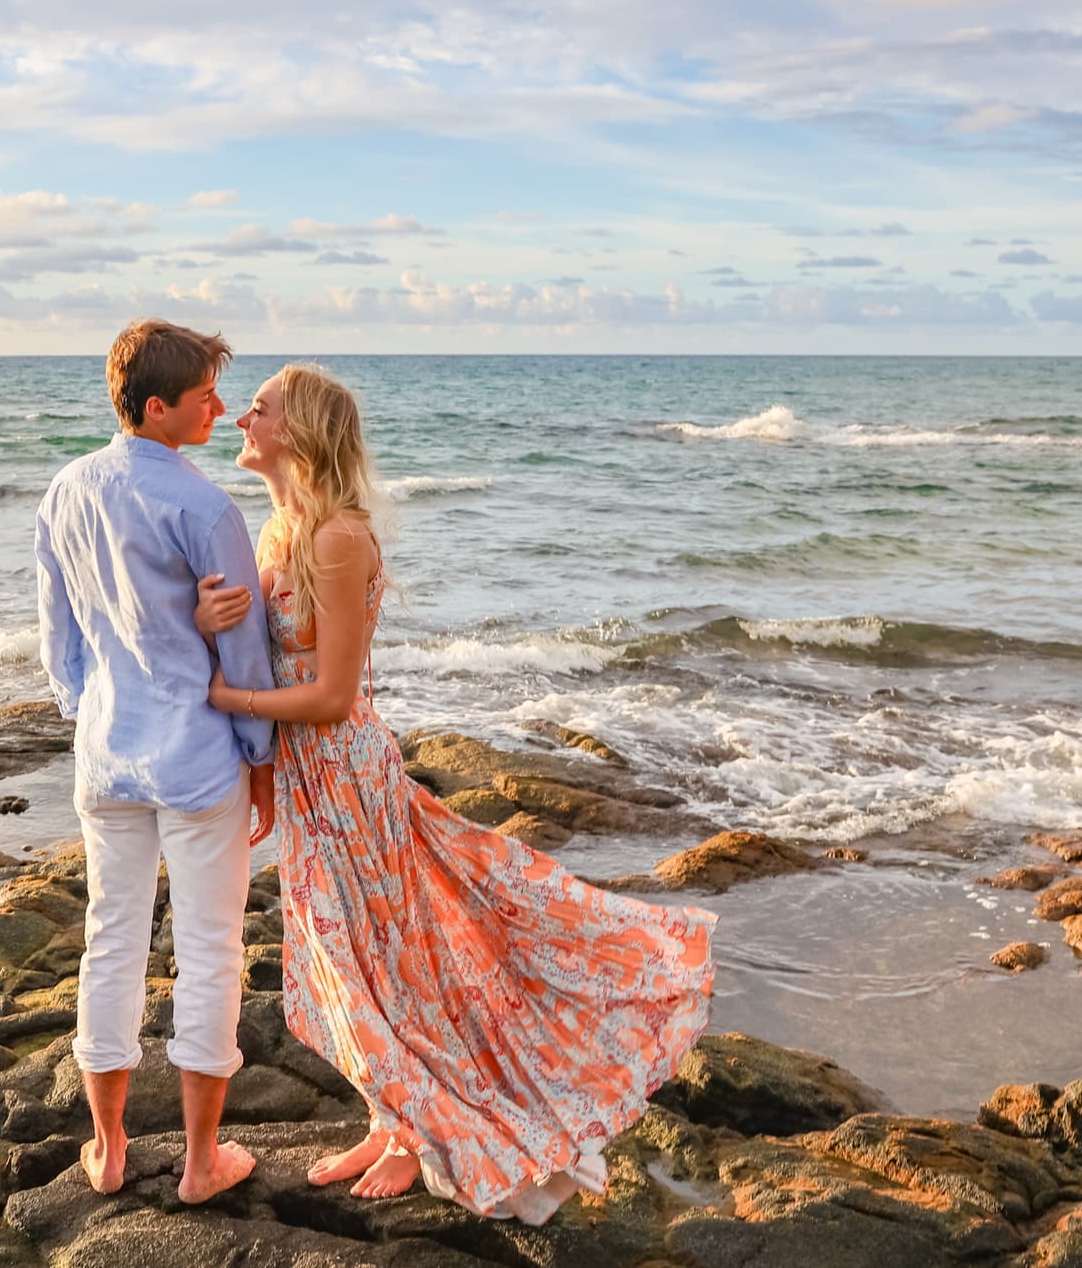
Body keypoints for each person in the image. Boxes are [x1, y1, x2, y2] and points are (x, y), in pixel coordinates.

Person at [195, 362, 716, 1224]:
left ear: (306, 432)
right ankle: (388, 1116)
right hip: (307, 778)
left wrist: (231, 704)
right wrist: (256, 760)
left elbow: (329, 695)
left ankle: (414, 1133)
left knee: (383, 955)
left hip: (347, 771)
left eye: (262, 407)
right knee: (347, 957)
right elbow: (266, 653)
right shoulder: (279, 529)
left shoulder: (338, 538)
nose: (243, 416)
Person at [33, 318, 279, 1205]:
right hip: (198, 756)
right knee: (211, 950)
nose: (219, 407)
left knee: (111, 940)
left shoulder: (65, 490)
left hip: (106, 753)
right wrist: (261, 756)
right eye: (204, 396)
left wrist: (94, 705)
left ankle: (108, 1147)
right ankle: (202, 1163)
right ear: (156, 408)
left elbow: (58, 641)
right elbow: (244, 654)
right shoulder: (206, 506)